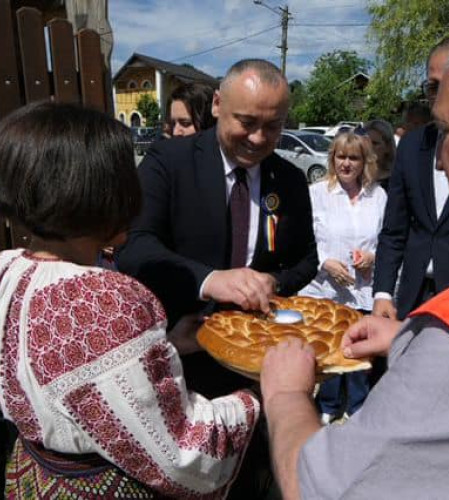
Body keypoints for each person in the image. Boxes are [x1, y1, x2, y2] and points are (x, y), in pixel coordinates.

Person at [261, 17, 449, 499]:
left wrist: (286, 395)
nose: (441, 155)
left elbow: (319, 488)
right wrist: (410, 342)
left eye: (448, 129)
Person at [0, 102, 259, 499]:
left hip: (31, 475)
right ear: (105, 191)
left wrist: (166, 344)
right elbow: (182, 451)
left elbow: (67, 371)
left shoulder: (7, 270)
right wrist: (258, 398)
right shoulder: (108, 299)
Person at [116, 58, 318, 397]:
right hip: (181, 355)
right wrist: (209, 280)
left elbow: (307, 260)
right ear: (217, 104)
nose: (258, 138)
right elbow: (134, 246)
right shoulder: (169, 160)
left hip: (256, 361)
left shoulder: (290, 180)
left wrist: (274, 281)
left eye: (273, 126)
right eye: (247, 122)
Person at [372, 34, 449, 321]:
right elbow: (395, 229)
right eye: (431, 86)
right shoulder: (410, 145)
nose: (437, 95)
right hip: (412, 298)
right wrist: (382, 293)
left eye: (446, 85)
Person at [299, 131, 387, 421]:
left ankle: (357, 407)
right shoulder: (317, 193)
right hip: (326, 288)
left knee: (360, 351)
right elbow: (304, 239)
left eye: (354, 157)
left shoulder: (377, 195)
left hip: (363, 287)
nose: (346, 163)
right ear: (332, 158)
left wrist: (372, 258)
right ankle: (328, 406)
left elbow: (387, 238)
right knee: (330, 348)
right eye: (341, 156)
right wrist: (326, 262)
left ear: (365, 161)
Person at [364, 119, 396, 192]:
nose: (369, 147)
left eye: (375, 143)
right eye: (366, 143)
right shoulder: (354, 178)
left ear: (388, 147)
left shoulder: (397, 181)